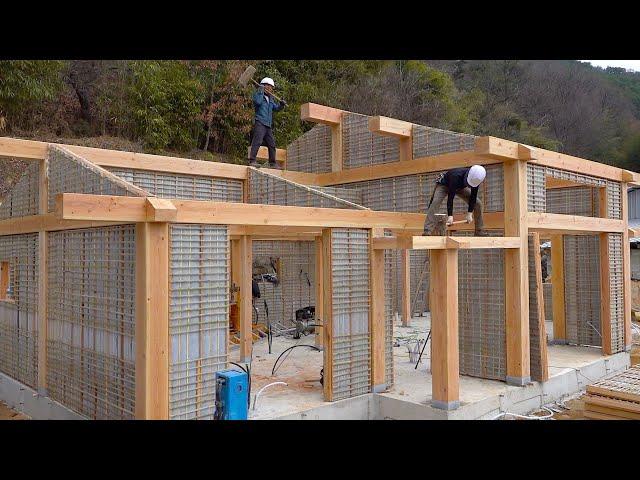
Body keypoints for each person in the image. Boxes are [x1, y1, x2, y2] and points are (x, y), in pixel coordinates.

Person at [423, 165, 488, 236]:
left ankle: (479, 231)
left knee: (478, 203)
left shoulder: (476, 180)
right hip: (444, 185)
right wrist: (450, 216)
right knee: (435, 202)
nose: (469, 185)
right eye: (468, 183)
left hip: (460, 187)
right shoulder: (456, 176)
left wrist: (469, 213)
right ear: (467, 175)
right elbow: (450, 197)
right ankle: (427, 230)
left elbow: (473, 197)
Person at [248, 77, 286, 169]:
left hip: (268, 125)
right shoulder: (258, 95)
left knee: (272, 144)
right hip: (260, 122)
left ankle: (272, 163)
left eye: (271, 87)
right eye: (268, 86)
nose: (270, 89)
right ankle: (252, 160)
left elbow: (275, 108)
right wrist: (260, 91)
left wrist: (281, 105)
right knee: (257, 141)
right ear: (263, 86)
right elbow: (257, 102)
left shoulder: (271, 98)